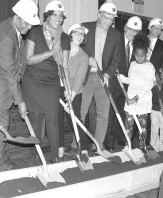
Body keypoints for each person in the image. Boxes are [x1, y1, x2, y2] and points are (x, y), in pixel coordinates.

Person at [0, 0, 40, 172]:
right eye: (27, 22)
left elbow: (18, 64)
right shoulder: (6, 36)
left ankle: (3, 163)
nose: (29, 27)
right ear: (18, 16)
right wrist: (20, 101)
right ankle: (0, 170)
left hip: (4, 89)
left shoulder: (13, 28)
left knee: (3, 128)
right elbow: (9, 74)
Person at [22, 0, 69, 163]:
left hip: (52, 83)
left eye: (60, 15)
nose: (58, 18)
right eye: (54, 15)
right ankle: (35, 157)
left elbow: (64, 66)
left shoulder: (65, 38)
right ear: (47, 16)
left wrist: (68, 89)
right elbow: (29, 60)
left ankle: (55, 158)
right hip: (33, 81)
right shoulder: (35, 32)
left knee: (53, 119)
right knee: (35, 118)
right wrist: (50, 53)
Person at [80, 2, 123, 151]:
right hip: (86, 76)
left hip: (103, 78)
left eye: (111, 19)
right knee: (81, 112)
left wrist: (107, 74)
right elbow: (76, 49)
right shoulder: (85, 28)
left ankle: (97, 146)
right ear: (99, 15)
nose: (108, 21)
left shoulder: (116, 35)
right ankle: (78, 144)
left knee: (103, 115)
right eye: (106, 17)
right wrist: (87, 59)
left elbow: (116, 59)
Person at [103, 16, 142, 152]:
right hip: (113, 82)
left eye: (136, 31)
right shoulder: (115, 39)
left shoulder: (138, 46)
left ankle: (121, 141)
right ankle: (109, 144)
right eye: (130, 29)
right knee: (110, 114)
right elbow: (107, 58)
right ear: (125, 28)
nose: (132, 33)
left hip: (127, 85)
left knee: (123, 113)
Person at [119, 33, 156, 147]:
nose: (139, 58)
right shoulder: (133, 64)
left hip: (142, 101)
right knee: (128, 125)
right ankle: (127, 146)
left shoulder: (150, 67)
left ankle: (142, 147)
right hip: (130, 99)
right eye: (137, 55)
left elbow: (147, 87)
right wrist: (120, 77)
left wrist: (135, 99)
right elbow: (131, 80)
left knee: (142, 128)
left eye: (142, 56)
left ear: (146, 54)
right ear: (134, 53)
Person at [60, 24, 89, 155]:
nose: (80, 36)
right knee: (57, 119)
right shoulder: (61, 49)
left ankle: (83, 149)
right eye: (77, 33)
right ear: (70, 34)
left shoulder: (84, 56)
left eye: (82, 34)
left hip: (74, 92)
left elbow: (79, 78)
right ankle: (59, 147)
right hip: (57, 88)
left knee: (75, 119)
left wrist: (71, 95)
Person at [146, 18, 163, 145]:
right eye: (156, 28)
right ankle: (139, 139)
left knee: (153, 110)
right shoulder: (140, 41)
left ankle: (153, 141)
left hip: (155, 81)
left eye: (160, 29)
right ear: (149, 28)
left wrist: (159, 80)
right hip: (140, 80)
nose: (158, 31)